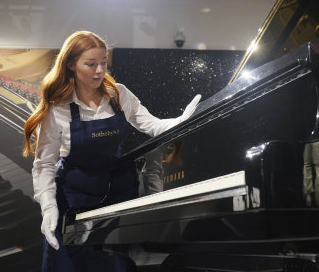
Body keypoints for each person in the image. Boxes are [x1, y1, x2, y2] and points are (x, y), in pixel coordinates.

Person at [22, 30, 201, 272]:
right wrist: (49, 207)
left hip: (119, 196)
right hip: (76, 200)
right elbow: (44, 165)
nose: (100, 70)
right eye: (91, 64)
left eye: (104, 62)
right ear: (72, 64)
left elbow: (153, 126)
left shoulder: (119, 94)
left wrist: (179, 121)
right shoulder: (58, 109)